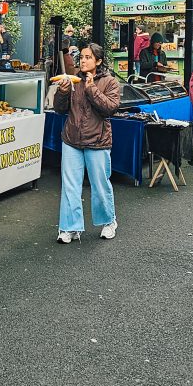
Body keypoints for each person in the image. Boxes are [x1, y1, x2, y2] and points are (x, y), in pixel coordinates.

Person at [53, 43, 120, 243]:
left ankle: (109, 221)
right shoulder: (73, 80)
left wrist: (91, 88)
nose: (83, 60)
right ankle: (69, 228)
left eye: (88, 57)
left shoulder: (109, 82)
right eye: (81, 57)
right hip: (72, 138)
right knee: (70, 185)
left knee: (100, 184)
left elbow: (110, 109)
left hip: (98, 140)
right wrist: (63, 92)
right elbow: (59, 109)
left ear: (98, 61)